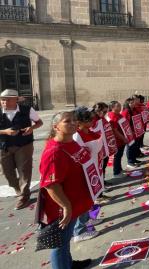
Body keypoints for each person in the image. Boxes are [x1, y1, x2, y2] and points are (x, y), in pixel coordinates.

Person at [39, 110, 93, 269]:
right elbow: (50, 184)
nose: (73, 123)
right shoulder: (54, 152)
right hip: (63, 208)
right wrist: (66, 206)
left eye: (74, 120)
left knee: (66, 239)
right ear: (56, 127)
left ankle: (67, 263)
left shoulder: (71, 143)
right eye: (67, 121)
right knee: (60, 244)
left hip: (75, 202)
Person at [0, 89, 43, 210]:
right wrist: (5, 132)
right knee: (7, 172)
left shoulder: (27, 109)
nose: (4, 102)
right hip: (4, 146)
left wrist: (31, 128)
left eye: (8, 100)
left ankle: (23, 196)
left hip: (24, 145)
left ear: (16, 100)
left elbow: (39, 122)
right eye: (2, 100)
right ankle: (19, 190)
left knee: (24, 170)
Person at [71, 107, 103, 243]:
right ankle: (79, 231)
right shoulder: (77, 135)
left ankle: (88, 218)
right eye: (88, 119)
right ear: (79, 121)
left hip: (93, 168)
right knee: (83, 200)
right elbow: (78, 155)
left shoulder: (89, 131)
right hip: (84, 171)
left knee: (90, 198)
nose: (92, 121)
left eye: (92, 118)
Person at [107, 101, 128, 178]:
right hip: (118, 140)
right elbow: (115, 131)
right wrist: (123, 138)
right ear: (113, 107)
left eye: (120, 105)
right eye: (118, 106)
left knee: (120, 155)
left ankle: (119, 169)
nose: (120, 107)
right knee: (117, 156)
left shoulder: (118, 114)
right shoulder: (113, 116)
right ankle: (116, 172)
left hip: (121, 139)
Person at [121, 98, 141, 169]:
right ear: (127, 103)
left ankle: (133, 159)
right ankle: (130, 162)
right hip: (129, 132)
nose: (133, 104)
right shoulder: (126, 112)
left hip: (134, 131)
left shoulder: (134, 110)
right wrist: (129, 131)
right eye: (131, 103)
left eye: (133, 102)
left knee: (134, 146)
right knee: (130, 147)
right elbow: (124, 123)